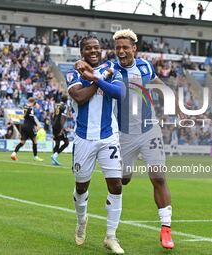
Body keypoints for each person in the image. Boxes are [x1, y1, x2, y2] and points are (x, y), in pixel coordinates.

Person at [75, 29, 174, 250]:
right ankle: (111, 206)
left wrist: (174, 104)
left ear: (134, 48)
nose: (121, 51)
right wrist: (78, 64)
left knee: (158, 177)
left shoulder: (146, 66)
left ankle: (166, 229)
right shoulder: (110, 68)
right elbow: (85, 68)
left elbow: (159, 85)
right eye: (117, 47)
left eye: (125, 47)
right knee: (122, 181)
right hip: (122, 134)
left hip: (149, 129)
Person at [68, 35, 125, 254]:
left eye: (97, 48)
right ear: (82, 51)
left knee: (116, 185)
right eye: (89, 48)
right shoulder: (73, 73)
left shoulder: (112, 68)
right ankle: (82, 220)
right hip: (83, 137)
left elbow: (119, 93)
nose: (93, 51)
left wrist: (95, 77)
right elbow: (80, 97)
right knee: (82, 186)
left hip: (108, 135)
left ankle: (111, 236)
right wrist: (97, 79)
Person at [11, 97, 43, 161]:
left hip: (24, 125)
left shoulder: (25, 107)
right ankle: (35, 157)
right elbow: (31, 118)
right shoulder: (30, 109)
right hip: (30, 126)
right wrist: (36, 125)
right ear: (33, 102)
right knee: (35, 141)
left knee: (22, 142)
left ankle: (14, 153)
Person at [51, 96, 69, 165]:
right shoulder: (65, 106)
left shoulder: (57, 105)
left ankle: (53, 160)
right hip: (59, 126)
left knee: (57, 143)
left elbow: (53, 116)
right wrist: (61, 129)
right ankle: (55, 156)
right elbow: (63, 117)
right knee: (66, 142)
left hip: (54, 125)